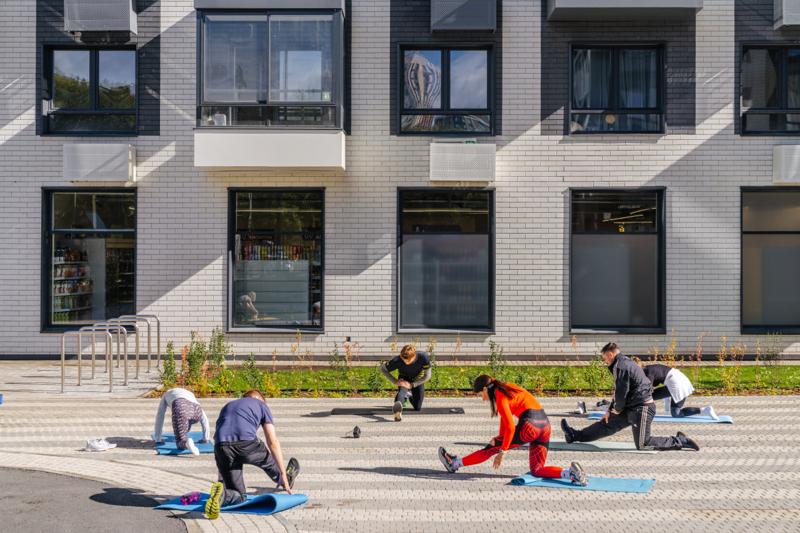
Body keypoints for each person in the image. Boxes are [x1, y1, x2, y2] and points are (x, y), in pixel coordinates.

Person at [438, 375, 587, 486]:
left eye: (481, 395)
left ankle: (454, 464)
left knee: (490, 447)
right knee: (537, 469)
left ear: (485, 389)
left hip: (530, 426)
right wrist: (501, 440)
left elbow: (510, 426)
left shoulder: (500, 396)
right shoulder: (507, 387)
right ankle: (570, 473)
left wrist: (502, 451)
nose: (483, 399)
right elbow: (505, 421)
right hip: (545, 426)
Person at [561, 343, 701, 452]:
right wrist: (610, 411)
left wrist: (616, 410)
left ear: (610, 354)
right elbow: (619, 392)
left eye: (604, 358)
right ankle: (574, 435)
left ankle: (680, 441)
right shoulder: (621, 364)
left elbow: (621, 394)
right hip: (632, 406)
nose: (605, 361)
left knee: (643, 444)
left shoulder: (621, 366)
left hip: (642, 409)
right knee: (606, 425)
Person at [205, 390, 300, 520]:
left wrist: (222, 479)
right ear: (261, 400)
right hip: (247, 445)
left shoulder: (228, 405)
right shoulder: (261, 405)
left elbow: (218, 439)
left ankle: (223, 495)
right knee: (269, 462)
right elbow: (272, 441)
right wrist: (282, 473)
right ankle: (286, 479)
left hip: (221, 448)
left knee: (239, 496)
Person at [637, 360, 718, 420]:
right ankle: (668, 397)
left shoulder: (648, 373)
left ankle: (704, 410)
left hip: (678, 385)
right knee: (650, 395)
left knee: (676, 413)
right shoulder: (649, 368)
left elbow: (647, 391)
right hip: (679, 381)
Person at [152, 387, 211, 456]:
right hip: (197, 410)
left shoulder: (166, 395)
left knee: (180, 442)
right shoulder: (189, 393)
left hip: (181, 407)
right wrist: (205, 438)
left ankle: (186, 443)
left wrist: (158, 438)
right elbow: (204, 419)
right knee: (186, 421)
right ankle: (184, 434)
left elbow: (160, 416)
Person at [380, 345, 431, 421]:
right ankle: (397, 410)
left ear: (414, 356)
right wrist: (395, 381)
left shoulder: (423, 357)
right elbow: (383, 369)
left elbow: (427, 376)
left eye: (408, 361)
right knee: (402, 391)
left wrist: (412, 385)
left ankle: (409, 396)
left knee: (417, 407)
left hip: (417, 379)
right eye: (403, 359)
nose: (405, 362)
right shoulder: (397, 360)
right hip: (404, 379)